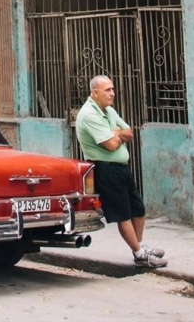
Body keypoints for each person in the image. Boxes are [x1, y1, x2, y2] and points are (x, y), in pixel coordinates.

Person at [75, 75, 167, 269]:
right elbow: (110, 145)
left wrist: (116, 133)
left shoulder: (108, 111)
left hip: (121, 168)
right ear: (95, 93)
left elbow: (130, 133)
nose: (112, 93)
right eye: (107, 90)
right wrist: (116, 134)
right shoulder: (89, 115)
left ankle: (139, 246)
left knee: (138, 209)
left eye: (112, 89)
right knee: (123, 215)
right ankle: (139, 255)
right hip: (106, 169)